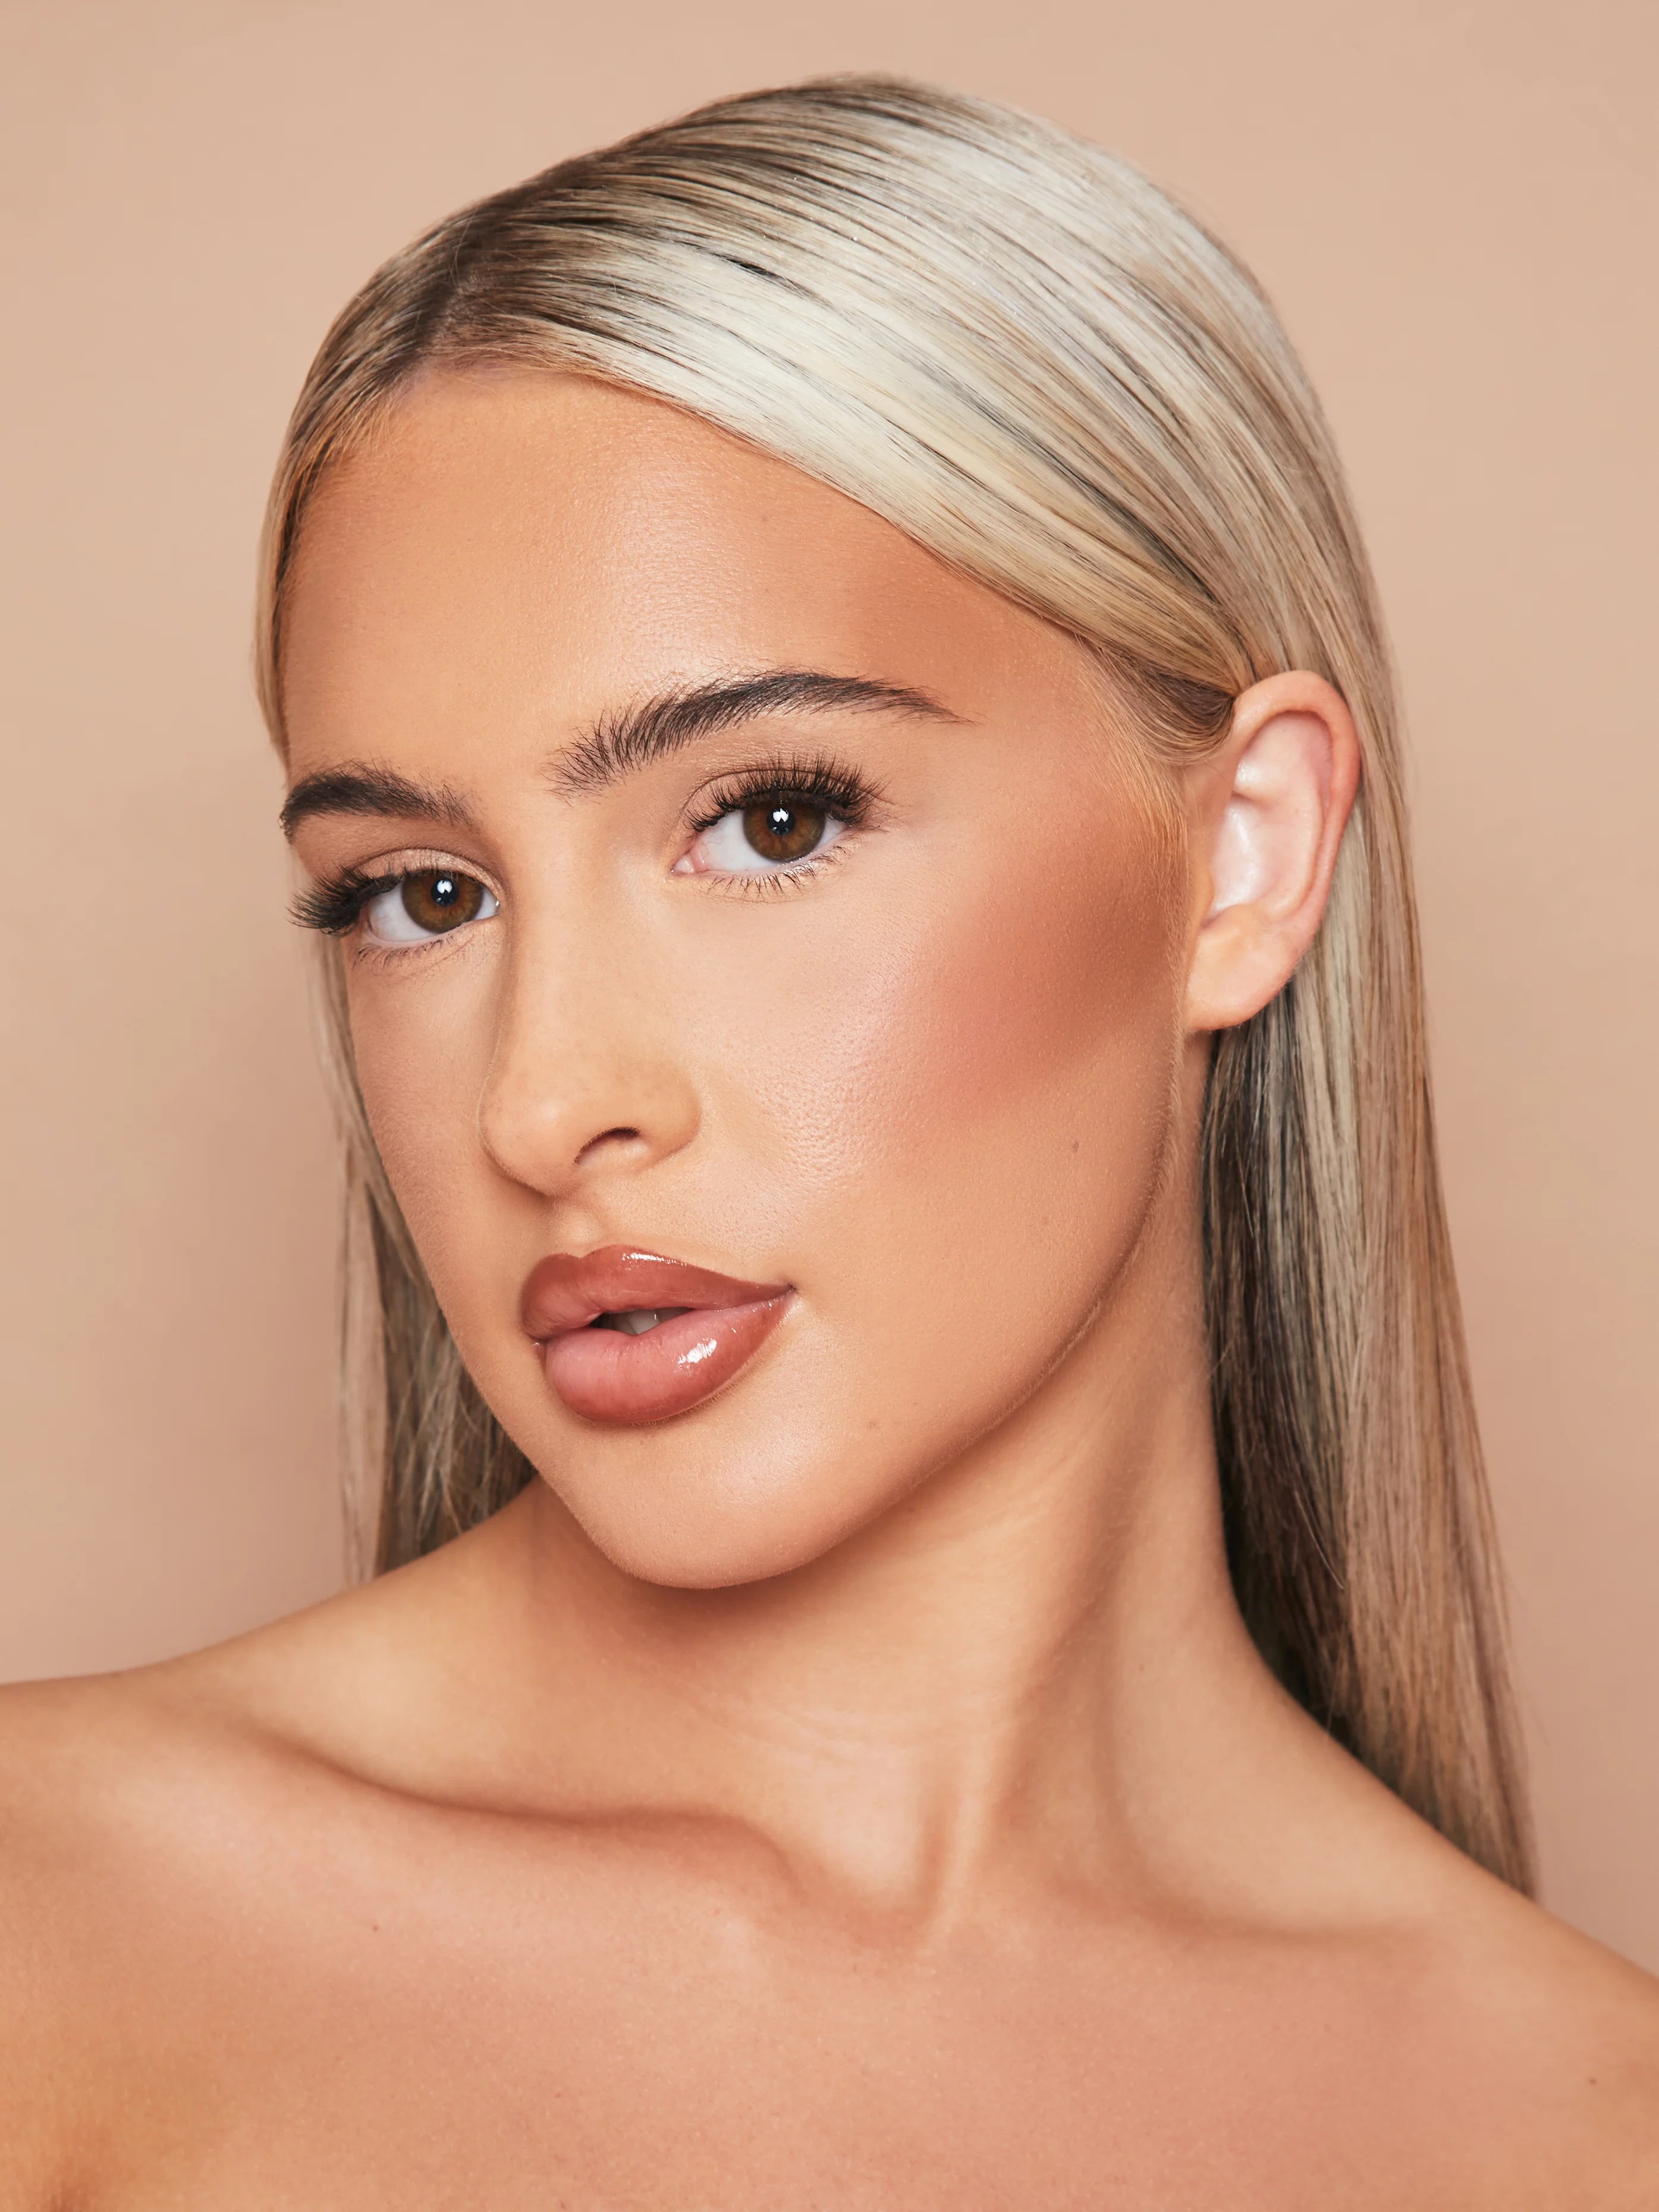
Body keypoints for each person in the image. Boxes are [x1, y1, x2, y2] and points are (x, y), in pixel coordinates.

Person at [3, 75, 1655, 2207]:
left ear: (1242, 858)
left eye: (772, 822)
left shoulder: (1582, 2136)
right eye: (420, 892)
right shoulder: (54, 1934)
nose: (542, 1105)